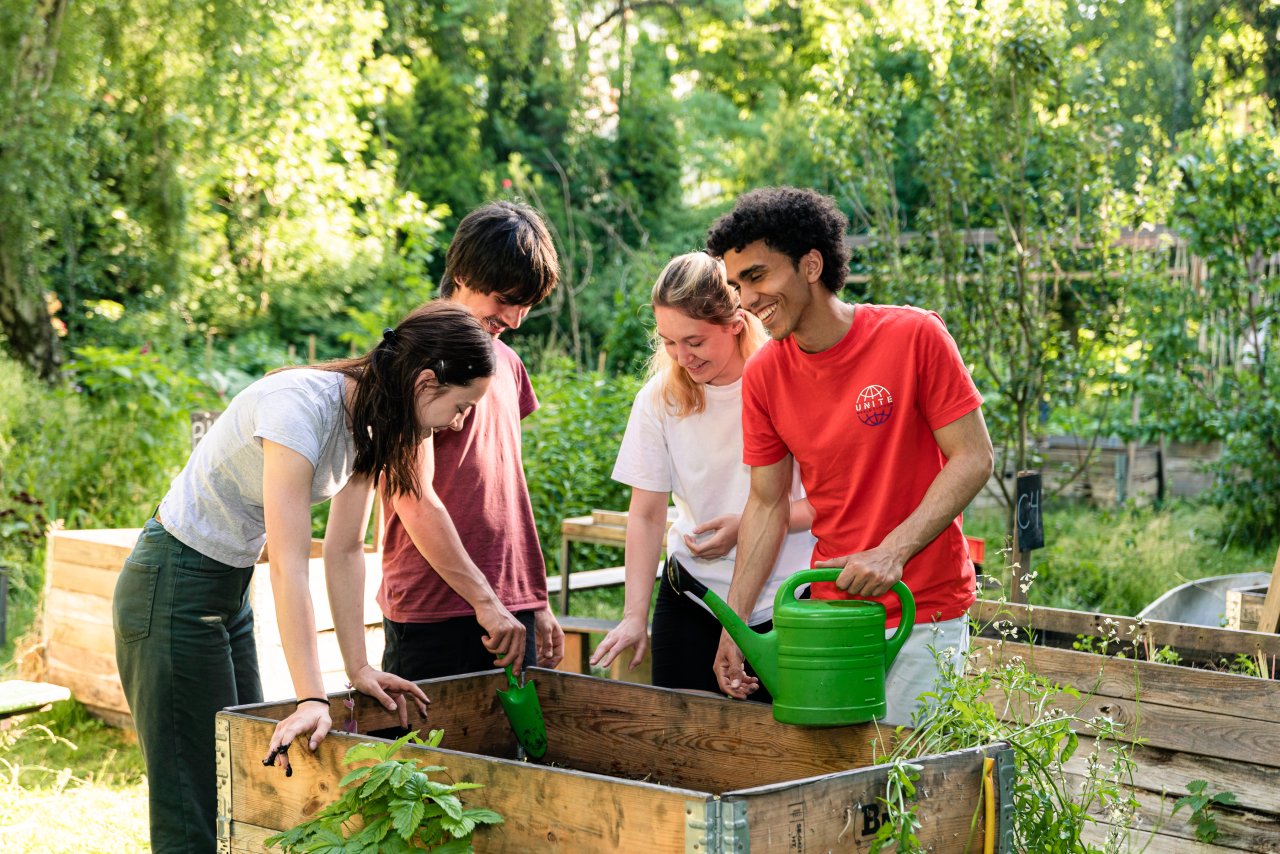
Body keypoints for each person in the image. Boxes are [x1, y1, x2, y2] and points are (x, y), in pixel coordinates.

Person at [113, 302, 495, 853]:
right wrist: (311, 697)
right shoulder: (298, 408)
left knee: (246, 771)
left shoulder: (376, 419)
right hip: (173, 582)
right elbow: (290, 561)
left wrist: (359, 665)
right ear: (427, 382)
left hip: (227, 584)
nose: (461, 422)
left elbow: (343, 550)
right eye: (462, 406)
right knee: (193, 792)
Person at [705, 187, 994, 724]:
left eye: (757, 277)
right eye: (736, 284)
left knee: (912, 788)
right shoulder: (765, 375)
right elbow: (766, 505)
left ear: (810, 265)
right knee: (838, 789)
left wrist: (893, 551)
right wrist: (737, 624)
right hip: (832, 615)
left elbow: (974, 458)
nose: (746, 300)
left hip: (923, 610)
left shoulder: (914, 336)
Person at [588, 252, 816, 697]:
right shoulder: (658, 399)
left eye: (694, 341)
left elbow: (833, 501)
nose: (682, 357)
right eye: (669, 342)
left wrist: (748, 526)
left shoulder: (789, 381)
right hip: (692, 596)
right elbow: (647, 514)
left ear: (735, 322)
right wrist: (635, 615)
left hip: (784, 601)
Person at [378, 200, 565, 682]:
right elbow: (412, 498)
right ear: (463, 273)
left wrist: (533, 598)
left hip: (507, 605)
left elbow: (508, 491)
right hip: (434, 608)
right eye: (505, 299)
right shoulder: (415, 356)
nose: (516, 319)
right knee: (425, 756)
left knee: (515, 755)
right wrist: (486, 601)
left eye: (526, 305)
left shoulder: (507, 362)